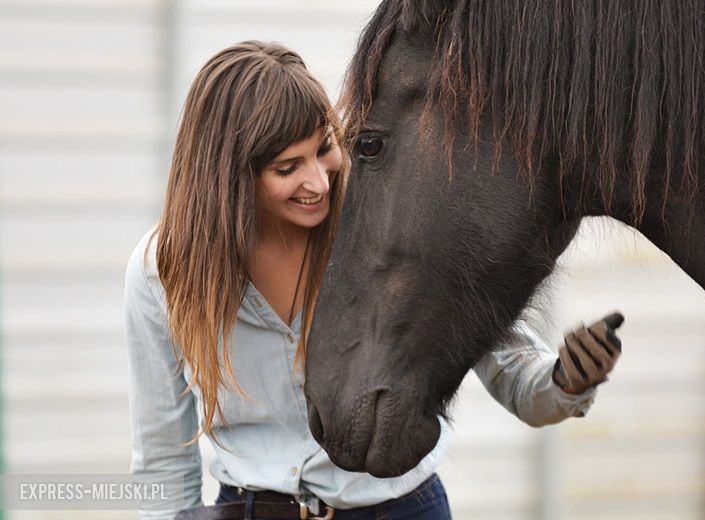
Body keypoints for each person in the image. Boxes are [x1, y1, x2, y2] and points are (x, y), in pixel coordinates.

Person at [123, 40, 624, 520]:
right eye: (287, 168)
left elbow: (513, 373)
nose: (318, 182)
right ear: (229, 178)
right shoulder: (160, 272)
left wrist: (564, 380)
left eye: (324, 148)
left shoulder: (389, 227)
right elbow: (164, 458)